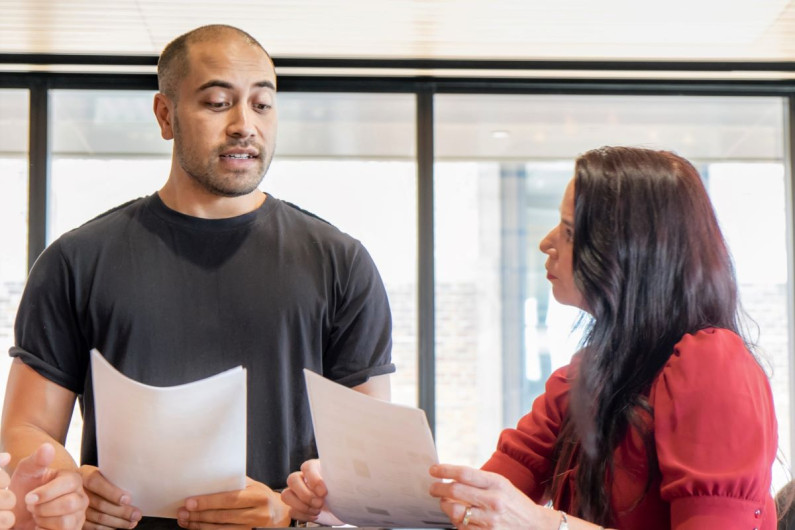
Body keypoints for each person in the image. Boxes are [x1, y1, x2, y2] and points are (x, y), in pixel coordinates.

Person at [1, 24, 394, 529]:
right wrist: (64, 484)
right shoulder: (76, 260)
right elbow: (28, 426)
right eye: (216, 103)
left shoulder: (342, 262)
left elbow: (374, 470)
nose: (243, 125)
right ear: (165, 115)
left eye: (262, 105)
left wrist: (289, 510)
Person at [282, 146, 778, 530]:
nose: (546, 243)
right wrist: (346, 498)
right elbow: (479, 497)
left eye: (568, 229)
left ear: (630, 251)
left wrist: (544, 521)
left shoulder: (713, 364)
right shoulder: (589, 372)